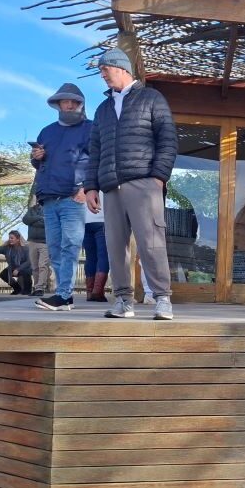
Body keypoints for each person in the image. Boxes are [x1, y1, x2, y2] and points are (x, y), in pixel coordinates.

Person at [85, 48, 178, 321]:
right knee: (115, 247)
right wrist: (91, 186)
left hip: (144, 182)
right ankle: (124, 300)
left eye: (105, 69)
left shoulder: (151, 98)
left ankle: (162, 299)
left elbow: (168, 139)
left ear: (121, 68)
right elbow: (95, 150)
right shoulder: (102, 109)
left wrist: (158, 177)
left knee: (151, 242)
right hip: (111, 187)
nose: (102, 75)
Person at [31, 83, 93, 312]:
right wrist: (37, 157)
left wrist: (86, 189)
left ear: (81, 104)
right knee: (55, 248)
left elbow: (98, 160)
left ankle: (64, 295)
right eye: (65, 101)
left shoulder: (90, 128)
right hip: (48, 198)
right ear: (58, 104)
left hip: (73, 197)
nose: (69, 105)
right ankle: (63, 295)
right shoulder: (46, 131)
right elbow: (39, 164)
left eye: (74, 102)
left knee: (71, 246)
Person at [82, 191, 108, 302]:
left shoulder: (85, 183)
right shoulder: (103, 182)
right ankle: (97, 291)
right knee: (103, 256)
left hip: (85, 221)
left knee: (90, 258)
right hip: (102, 220)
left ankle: (89, 291)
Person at [21, 199, 50, 297]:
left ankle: (40, 288)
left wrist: (32, 221)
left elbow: (48, 223)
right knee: (34, 266)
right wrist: (40, 218)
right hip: (32, 241)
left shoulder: (49, 208)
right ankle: (36, 287)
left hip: (45, 242)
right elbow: (25, 220)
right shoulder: (32, 209)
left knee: (43, 265)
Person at [0, 231, 33, 295]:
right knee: (3, 274)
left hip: (25, 267)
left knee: (26, 272)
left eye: (12, 238)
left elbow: (29, 262)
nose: (10, 239)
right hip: (12, 268)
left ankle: (28, 290)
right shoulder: (7, 248)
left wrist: (18, 269)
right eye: (9, 238)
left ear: (18, 239)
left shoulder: (26, 248)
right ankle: (17, 289)